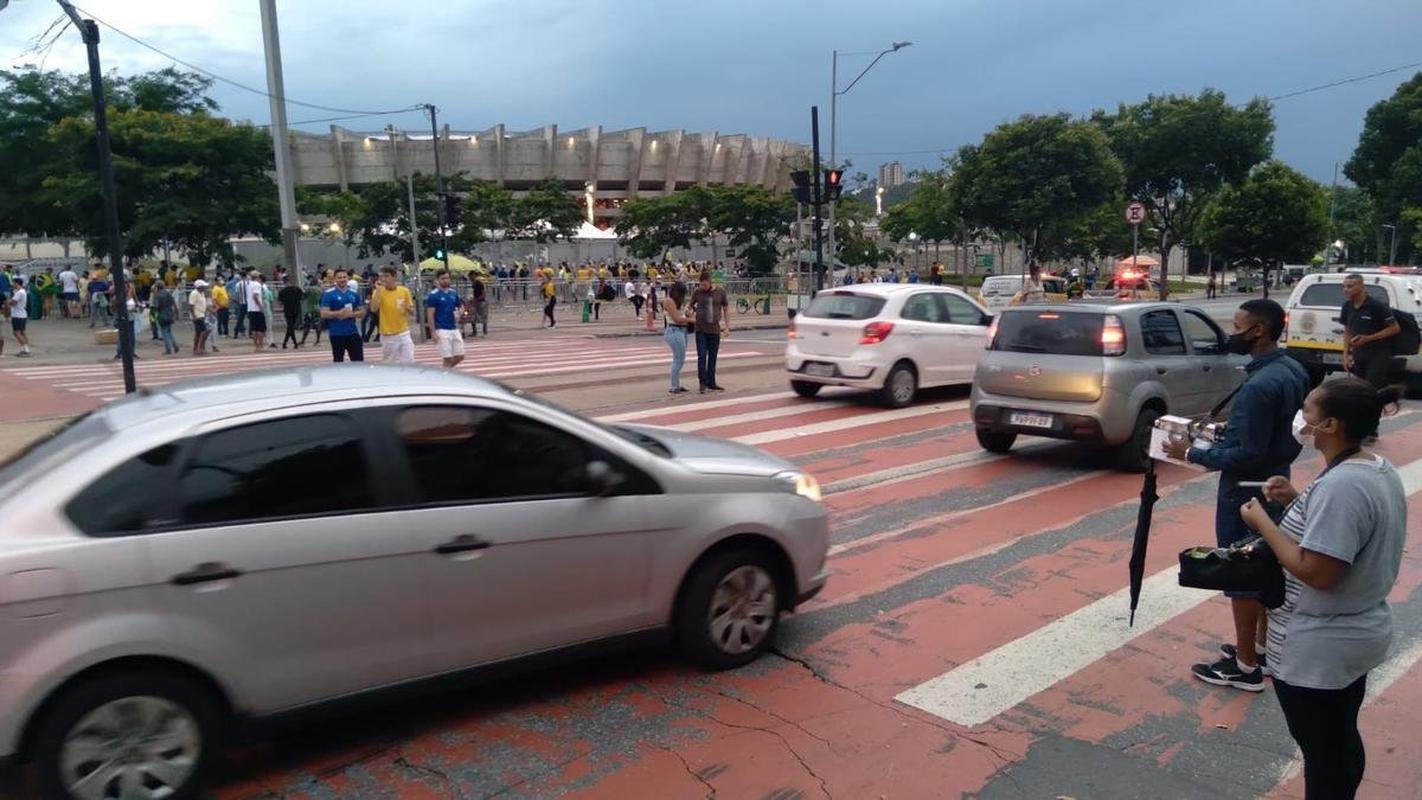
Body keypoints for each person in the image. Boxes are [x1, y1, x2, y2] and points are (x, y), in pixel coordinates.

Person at [1246, 378, 1406, 800]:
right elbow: (1339, 531)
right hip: (1353, 633)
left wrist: (1262, 522)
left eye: (1308, 411)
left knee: (1325, 754)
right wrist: (1294, 500)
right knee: (1338, 741)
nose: (1302, 418)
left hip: (1320, 646)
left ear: (1331, 425)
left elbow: (1316, 571)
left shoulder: (1342, 486)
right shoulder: (1373, 468)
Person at [1164, 298, 1309, 691]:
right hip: (1274, 481)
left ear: (1258, 330)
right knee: (1263, 566)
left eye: (1238, 325)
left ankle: (1245, 667)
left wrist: (1190, 452)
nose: (1232, 333)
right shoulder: (1291, 369)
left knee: (1242, 572)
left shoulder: (1260, 384)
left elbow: (1246, 453)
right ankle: (1260, 649)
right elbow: (1272, 432)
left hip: (1244, 490)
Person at [1340, 273, 1401, 389]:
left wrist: (1368, 338)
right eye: (1344, 286)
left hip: (1377, 355)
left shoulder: (1376, 306)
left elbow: (1395, 328)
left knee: (1372, 387)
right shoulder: (1347, 306)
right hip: (1358, 355)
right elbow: (1347, 330)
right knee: (1359, 388)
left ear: (1361, 287)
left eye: (1350, 286)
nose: (1345, 290)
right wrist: (1345, 355)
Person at [690, 270, 730, 393]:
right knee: (702, 356)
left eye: (705, 285)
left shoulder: (720, 292)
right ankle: (702, 382)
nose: (703, 287)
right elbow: (690, 306)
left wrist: (727, 326)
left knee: (713, 357)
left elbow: (726, 308)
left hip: (714, 330)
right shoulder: (697, 292)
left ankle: (711, 382)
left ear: (710, 282)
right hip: (700, 329)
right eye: (701, 284)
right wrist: (688, 311)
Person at [372, 265, 415, 363]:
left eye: (386, 276)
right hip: (388, 334)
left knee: (409, 360)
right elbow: (373, 309)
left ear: (394, 277)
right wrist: (377, 291)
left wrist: (407, 307)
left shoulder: (404, 290)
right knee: (389, 362)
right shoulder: (379, 291)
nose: (383, 279)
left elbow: (412, 312)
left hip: (403, 332)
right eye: (381, 276)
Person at [320, 267, 365, 362]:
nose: (342, 279)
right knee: (338, 361)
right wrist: (338, 313)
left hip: (353, 332)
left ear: (348, 278)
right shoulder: (328, 294)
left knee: (358, 361)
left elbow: (362, 312)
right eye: (339, 277)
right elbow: (323, 313)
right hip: (336, 334)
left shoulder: (354, 293)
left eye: (344, 277)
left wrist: (351, 314)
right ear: (335, 279)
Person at [426, 269, 466, 368]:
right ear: (437, 280)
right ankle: (445, 372)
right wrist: (433, 332)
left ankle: (445, 370)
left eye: (447, 278)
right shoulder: (433, 295)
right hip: (442, 329)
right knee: (447, 358)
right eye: (443, 278)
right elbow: (430, 314)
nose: (445, 280)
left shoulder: (453, 293)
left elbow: (461, 306)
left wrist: (460, 312)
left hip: (454, 327)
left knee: (460, 355)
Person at [662, 281, 692, 395]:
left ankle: (676, 384)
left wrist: (688, 314)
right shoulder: (669, 301)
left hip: (682, 330)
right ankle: (674, 386)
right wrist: (691, 320)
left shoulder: (679, 302)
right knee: (678, 359)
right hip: (674, 330)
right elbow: (676, 319)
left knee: (680, 358)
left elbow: (682, 316)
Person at [152, 281, 180, 356]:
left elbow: (156, 306)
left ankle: (168, 349)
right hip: (169, 314)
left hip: (162, 315)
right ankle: (175, 345)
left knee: (164, 333)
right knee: (169, 331)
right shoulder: (168, 293)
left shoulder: (156, 295)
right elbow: (174, 304)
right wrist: (176, 314)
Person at [278, 276, 304, 349]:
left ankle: (288, 343)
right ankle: (290, 343)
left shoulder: (282, 291)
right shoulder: (297, 289)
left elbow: (280, 303)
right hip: (296, 309)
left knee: (290, 327)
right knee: (291, 327)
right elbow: (302, 297)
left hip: (287, 310)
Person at [244, 270, 267, 353]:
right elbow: (255, 296)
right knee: (260, 328)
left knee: (253, 328)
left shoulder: (248, 285)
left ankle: (256, 345)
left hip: (250, 308)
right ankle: (260, 345)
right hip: (256, 309)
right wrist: (260, 306)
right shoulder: (257, 285)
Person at [8, 277, 31, 357]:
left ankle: (25, 349)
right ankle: (25, 348)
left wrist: (8, 301)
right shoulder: (22, 291)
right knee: (22, 332)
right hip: (22, 314)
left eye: (13, 283)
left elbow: (13, 302)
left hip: (17, 315)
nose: (12, 285)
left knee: (16, 333)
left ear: (17, 283)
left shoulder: (19, 293)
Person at [299, 276, 324, 347]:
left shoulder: (309, 289)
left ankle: (303, 341)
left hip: (310, 309)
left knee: (307, 325)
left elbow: (303, 297)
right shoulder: (320, 290)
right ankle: (318, 340)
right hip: (318, 309)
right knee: (318, 325)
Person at [188, 280, 211, 356]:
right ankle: (197, 348)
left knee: (201, 332)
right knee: (202, 331)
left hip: (202, 314)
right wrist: (194, 316)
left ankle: (200, 347)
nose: (204, 288)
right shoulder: (194, 293)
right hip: (197, 315)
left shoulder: (202, 293)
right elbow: (191, 306)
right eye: (203, 286)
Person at [229, 272, 247, 339]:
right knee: (251, 318)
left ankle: (236, 332)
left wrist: (236, 300)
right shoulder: (248, 283)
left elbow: (237, 294)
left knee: (240, 318)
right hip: (248, 303)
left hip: (241, 303)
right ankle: (251, 333)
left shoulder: (238, 284)